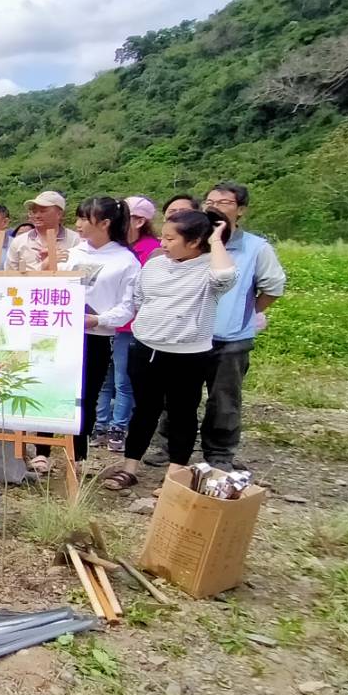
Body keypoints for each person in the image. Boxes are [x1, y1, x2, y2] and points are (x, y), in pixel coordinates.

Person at [89, 210, 236, 490]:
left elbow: (225, 277)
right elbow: (140, 298)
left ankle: (174, 475)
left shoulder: (209, 268)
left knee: (182, 413)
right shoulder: (155, 265)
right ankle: (129, 467)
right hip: (146, 348)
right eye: (163, 237)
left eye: (170, 238)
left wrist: (216, 239)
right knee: (143, 410)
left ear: (194, 242)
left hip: (189, 354)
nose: (163, 243)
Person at [198, 181, 287, 470]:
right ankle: (169, 446)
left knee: (224, 399)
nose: (214, 207)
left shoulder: (256, 248)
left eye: (224, 202)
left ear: (241, 210)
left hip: (231, 337)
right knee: (177, 395)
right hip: (188, 334)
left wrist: (248, 312)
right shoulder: (193, 241)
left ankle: (219, 453)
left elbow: (273, 287)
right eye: (210, 201)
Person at [57, 196, 140, 462]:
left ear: (104, 223)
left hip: (95, 337)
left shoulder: (126, 260)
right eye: (78, 217)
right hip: (61, 332)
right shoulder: (74, 253)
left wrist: (98, 319)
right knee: (53, 387)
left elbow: (128, 306)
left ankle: (77, 454)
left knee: (86, 395)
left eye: (84, 218)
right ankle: (44, 450)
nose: (78, 224)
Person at [97, 196, 160, 451]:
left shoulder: (153, 250)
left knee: (124, 380)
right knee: (104, 379)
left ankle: (118, 426)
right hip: (101, 325)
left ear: (140, 221)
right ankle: (99, 424)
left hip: (130, 327)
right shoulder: (109, 248)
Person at [8, 190, 79, 273]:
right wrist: (45, 265)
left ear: (59, 214)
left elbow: (82, 273)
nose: (37, 216)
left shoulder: (75, 240)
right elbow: (9, 275)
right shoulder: (19, 242)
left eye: (43, 211)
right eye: (34, 212)